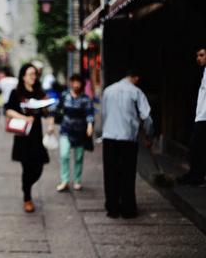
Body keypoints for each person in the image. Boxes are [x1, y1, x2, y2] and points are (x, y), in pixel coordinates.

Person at [102, 69, 153, 219]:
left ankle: (112, 207)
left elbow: (105, 114)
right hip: (127, 138)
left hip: (109, 136)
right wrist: (149, 136)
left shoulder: (108, 90)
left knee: (110, 173)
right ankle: (127, 208)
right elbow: (147, 116)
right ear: (136, 78)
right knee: (127, 174)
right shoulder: (136, 92)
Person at [6, 63, 50, 213]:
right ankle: (27, 197)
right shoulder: (17, 92)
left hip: (37, 134)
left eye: (35, 74)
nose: (33, 77)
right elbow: (8, 111)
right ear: (23, 76)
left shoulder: (39, 92)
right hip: (23, 135)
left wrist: (46, 106)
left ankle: (27, 186)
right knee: (26, 167)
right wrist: (25, 118)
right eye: (30, 74)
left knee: (39, 166)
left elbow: (46, 114)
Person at [48, 73, 94, 192]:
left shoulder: (85, 99)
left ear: (82, 84)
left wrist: (89, 126)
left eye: (77, 82)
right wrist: (51, 124)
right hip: (66, 130)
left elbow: (89, 113)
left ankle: (77, 180)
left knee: (78, 157)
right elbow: (54, 109)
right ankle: (65, 180)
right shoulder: (65, 95)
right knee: (64, 155)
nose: (75, 84)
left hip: (80, 132)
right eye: (73, 81)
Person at [176, 47, 206, 187]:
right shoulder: (204, 72)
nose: (198, 58)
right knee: (196, 146)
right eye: (197, 55)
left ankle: (197, 176)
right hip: (200, 115)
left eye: (201, 55)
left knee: (196, 146)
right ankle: (196, 175)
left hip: (204, 117)